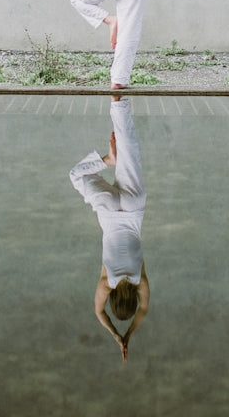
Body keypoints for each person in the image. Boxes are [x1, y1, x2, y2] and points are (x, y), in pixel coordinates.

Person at [68, 95, 150, 361]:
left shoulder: (140, 280)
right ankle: (107, 159)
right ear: (114, 298)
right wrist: (117, 335)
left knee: (131, 150)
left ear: (134, 298)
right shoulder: (107, 282)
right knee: (77, 175)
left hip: (134, 207)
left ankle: (119, 100)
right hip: (109, 212)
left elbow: (144, 312)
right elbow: (98, 313)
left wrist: (129, 334)